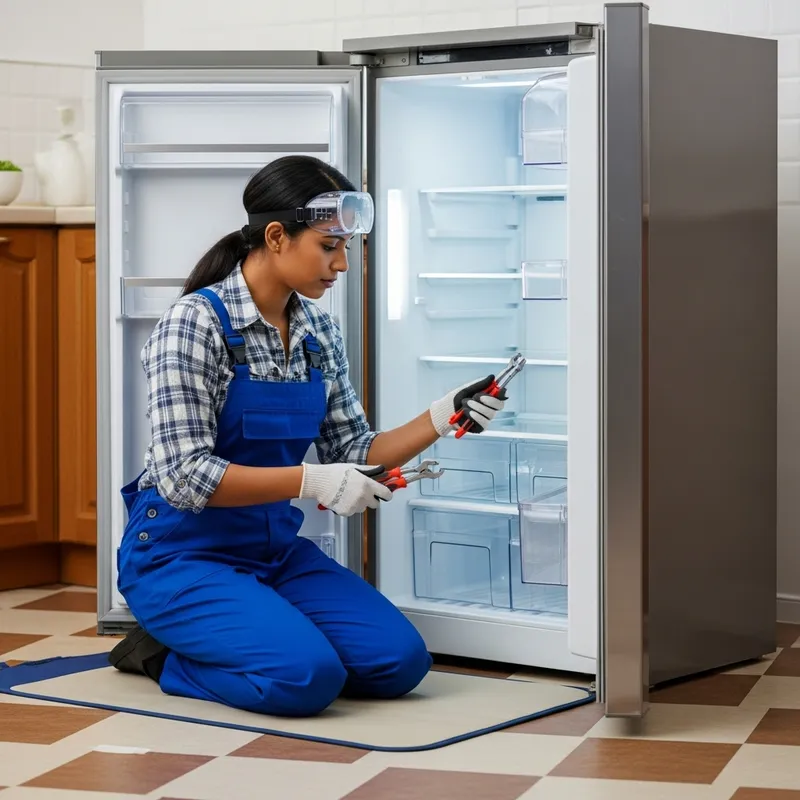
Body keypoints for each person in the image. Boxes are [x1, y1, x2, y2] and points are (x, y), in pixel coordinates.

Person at [109, 155, 509, 718]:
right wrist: (314, 479)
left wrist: (442, 417)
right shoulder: (195, 324)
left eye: (347, 248)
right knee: (304, 680)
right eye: (329, 246)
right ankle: (156, 654)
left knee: (399, 663)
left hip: (270, 552)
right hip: (180, 556)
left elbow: (353, 451)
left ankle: (258, 623)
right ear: (276, 237)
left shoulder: (318, 330)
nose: (343, 264)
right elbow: (183, 477)